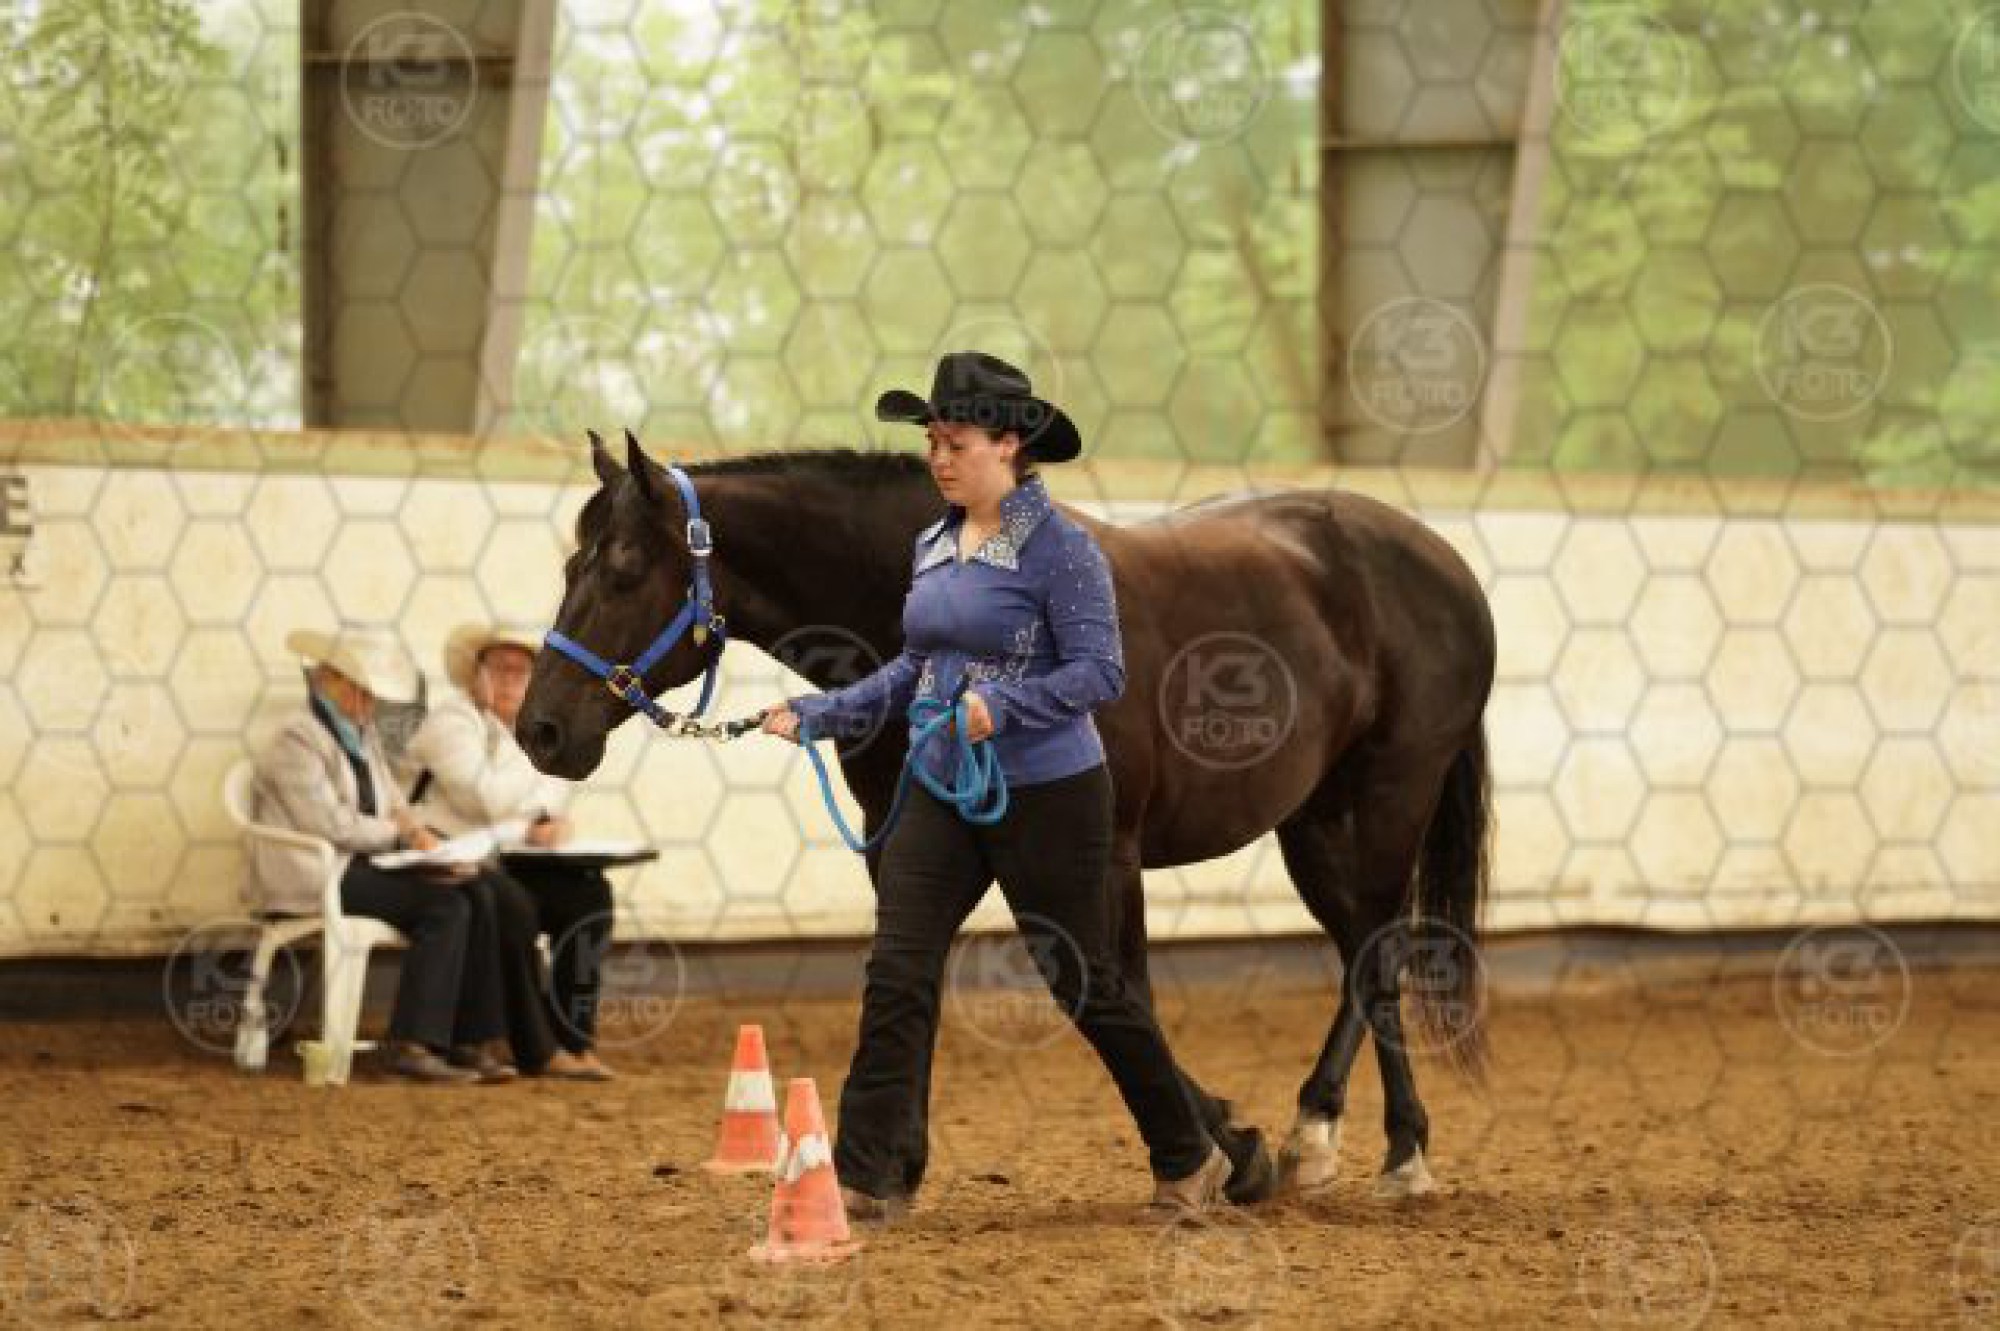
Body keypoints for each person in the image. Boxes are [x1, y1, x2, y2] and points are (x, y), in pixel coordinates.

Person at [760, 351, 1239, 1218]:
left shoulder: (1063, 550)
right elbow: (916, 664)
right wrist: (825, 710)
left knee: (1082, 979)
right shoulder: (934, 543)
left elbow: (1100, 671)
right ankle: (871, 1175)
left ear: (1009, 444)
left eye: (956, 443)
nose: (939, 459)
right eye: (932, 443)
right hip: (939, 786)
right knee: (898, 967)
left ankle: (1191, 1153)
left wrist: (1003, 705)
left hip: (1048, 792)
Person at [248, 626, 514, 1084]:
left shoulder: (359, 733)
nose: (371, 703)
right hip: (316, 873)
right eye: (363, 691)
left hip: (358, 864)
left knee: (476, 892)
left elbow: (393, 801)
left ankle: (467, 1040)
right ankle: (412, 1044)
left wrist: (421, 834)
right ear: (331, 682)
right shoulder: (297, 740)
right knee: (445, 906)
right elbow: (326, 824)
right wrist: (401, 838)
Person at [401, 624, 616, 1081]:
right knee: (512, 906)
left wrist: (551, 821)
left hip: (505, 858)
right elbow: (486, 798)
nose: (511, 681)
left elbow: (555, 796)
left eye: (523, 672)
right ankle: (536, 1050)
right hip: (447, 856)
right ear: (475, 674)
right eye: (500, 669)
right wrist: (534, 765)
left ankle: (574, 1041)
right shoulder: (451, 721)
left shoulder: (529, 727)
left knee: (589, 896)